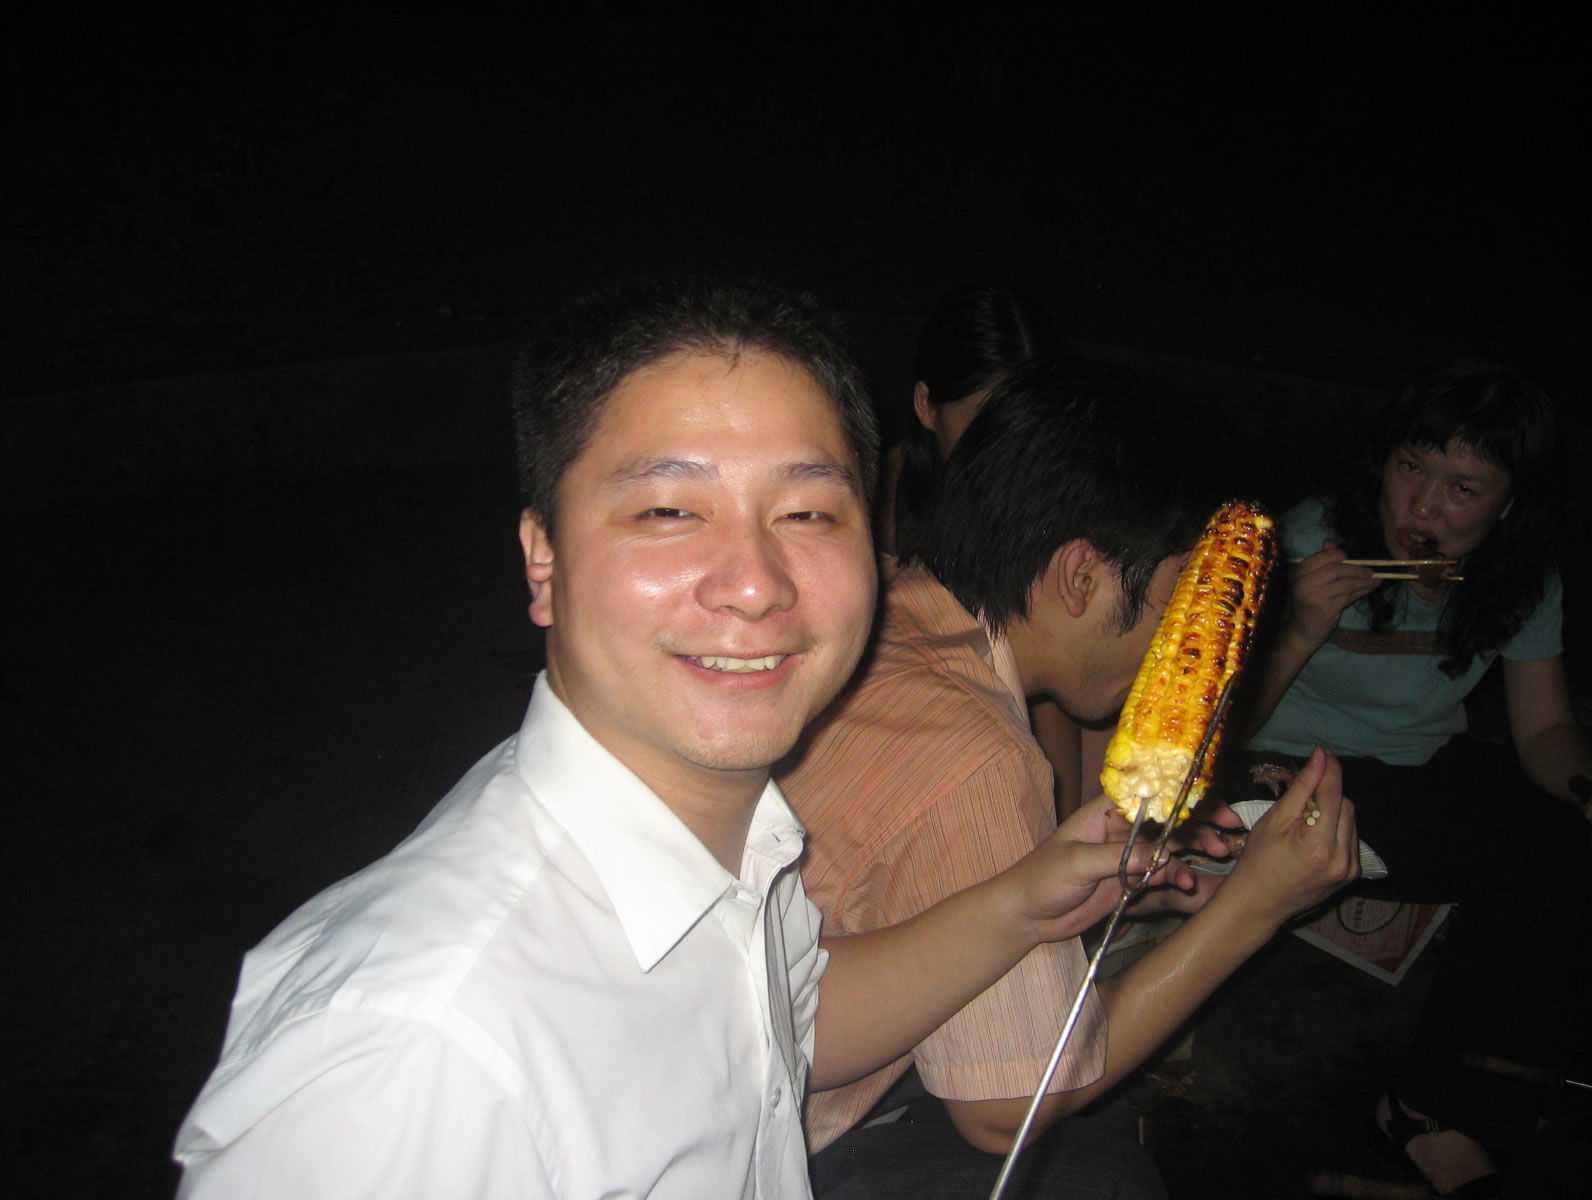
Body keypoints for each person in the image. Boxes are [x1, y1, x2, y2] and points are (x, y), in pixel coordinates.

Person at [172, 278, 1229, 1199]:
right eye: (669, 512)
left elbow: (782, 1020)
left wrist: (1021, 900)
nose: (755, 584)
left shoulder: (727, 841)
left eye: (808, 514)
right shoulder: (411, 1053)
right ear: (543, 559)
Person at [779, 357, 1362, 1199]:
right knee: (1108, 1178)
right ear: (1082, 575)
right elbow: (1006, 1110)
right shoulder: (978, 753)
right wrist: (1256, 906)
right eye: (1185, 599)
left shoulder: (886, 599)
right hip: (774, 1134)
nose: (1196, 641)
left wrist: (1095, 892)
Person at [1241, 360, 1592, 1198]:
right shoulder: (1310, 539)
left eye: (1462, 488)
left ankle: (1493, 1092)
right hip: (1279, 767)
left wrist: (1590, 790)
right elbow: (1217, 726)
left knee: (1566, 844)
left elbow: (1546, 730)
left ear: (1508, 505)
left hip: (1414, 767)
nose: (1422, 508)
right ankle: (1430, 1116)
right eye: (1411, 467)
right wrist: (1298, 624)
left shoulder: (1520, 579)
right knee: (1525, 867)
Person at [888, 281, 1083, 814]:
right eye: (983, 419)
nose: (1010, 447)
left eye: (1029, 421)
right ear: (927, 406)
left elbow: (1051, 691)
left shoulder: (1046, 507)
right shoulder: (873, 500)